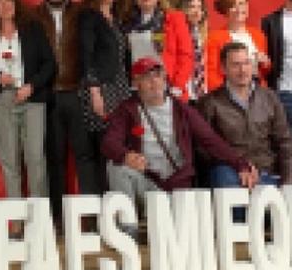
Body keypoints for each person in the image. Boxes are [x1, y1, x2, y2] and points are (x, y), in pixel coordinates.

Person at [103, 57, 248, 201]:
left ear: (164, 79)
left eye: (157, 75)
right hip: (147, 181)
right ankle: (128, 222)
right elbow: (109, 143)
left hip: (178, 187)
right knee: (115, 167)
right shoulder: (127, 109)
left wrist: (240, 164)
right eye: (146, 77)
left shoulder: (182, 109)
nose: (154, 81)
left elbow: (210, 140)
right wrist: (126, 156)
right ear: (135, 83)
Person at [0, 0, 56, 199]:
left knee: (35, 158)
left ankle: (39, 217)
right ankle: (16, 218)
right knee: (9, 161)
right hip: (2, 99)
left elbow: (49, 64)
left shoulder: (32, 28)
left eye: (8, 0)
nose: (4, 6)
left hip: (32, 97)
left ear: (16, 2)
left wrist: (32, 86)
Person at [31, 0, 97, 202]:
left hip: (78, 91)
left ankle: (91, 214)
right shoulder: (32, 16)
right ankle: (57, 217)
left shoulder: (83, 12)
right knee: (54, 158)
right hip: (47, 94)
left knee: (85, 154)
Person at [198, 40, 292, 190]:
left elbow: (285, 143)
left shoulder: (270, 98)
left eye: (246, 63)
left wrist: (290, 185)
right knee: (225, 178)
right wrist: (238, 166)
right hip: (231, 173)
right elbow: (203, 149)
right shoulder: (210, 102)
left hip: (267, 173)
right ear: (223, 69)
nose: (243, 70)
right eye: (236, 65)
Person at [77, 0, 134, 192]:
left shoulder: (118, 18)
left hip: (120, 89)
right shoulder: (89, 16)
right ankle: (103, 205)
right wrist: (94, 91)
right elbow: (86, 56)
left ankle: (119, 201)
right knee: (104, 148)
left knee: (119, 147)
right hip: (100, 89)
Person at [128, 0, 195, 101]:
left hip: (167, 86)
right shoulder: (128, 22)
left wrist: (177, 86)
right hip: (138, 86)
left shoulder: (174, 18)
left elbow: (186, 55)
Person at [204, 0, 271, 96]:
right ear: (225, 10)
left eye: (242, 4)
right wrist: (225, 97)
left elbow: (264, 71)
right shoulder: (214, 38)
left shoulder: (258, 35)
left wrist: (265, 63)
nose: (239, 9)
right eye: (233, 6)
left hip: (258, 95)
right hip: (229, 97)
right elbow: (211, 74)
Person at [178, 0, 212, 101]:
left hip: (203, 94)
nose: (196, 11)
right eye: (192, 7)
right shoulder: (177, 34)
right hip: (183, 93)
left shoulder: (205, 35)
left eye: (200, 7)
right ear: (183, 9)